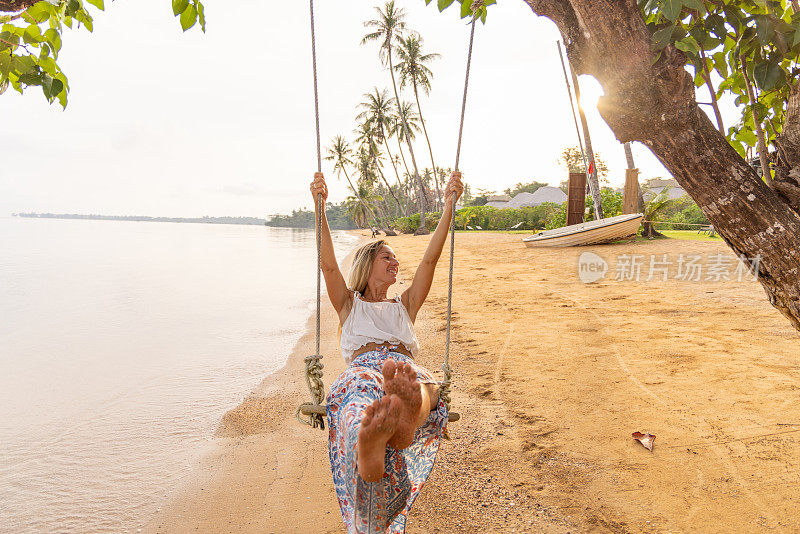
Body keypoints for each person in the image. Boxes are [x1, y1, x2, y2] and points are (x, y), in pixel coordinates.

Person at [309, 170, 463, 533]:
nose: (396, 264)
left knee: (424, 387)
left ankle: (402, 415)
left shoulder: (405, 305)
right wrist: (319, 207)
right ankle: (374, 440)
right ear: (368, 265)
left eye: (395, 260)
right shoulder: (349, 304)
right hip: (366, 368)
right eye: (387, 258)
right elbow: (328, 264)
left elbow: (430, 261)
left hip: (401, 372)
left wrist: (449, 206)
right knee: (358, 399)